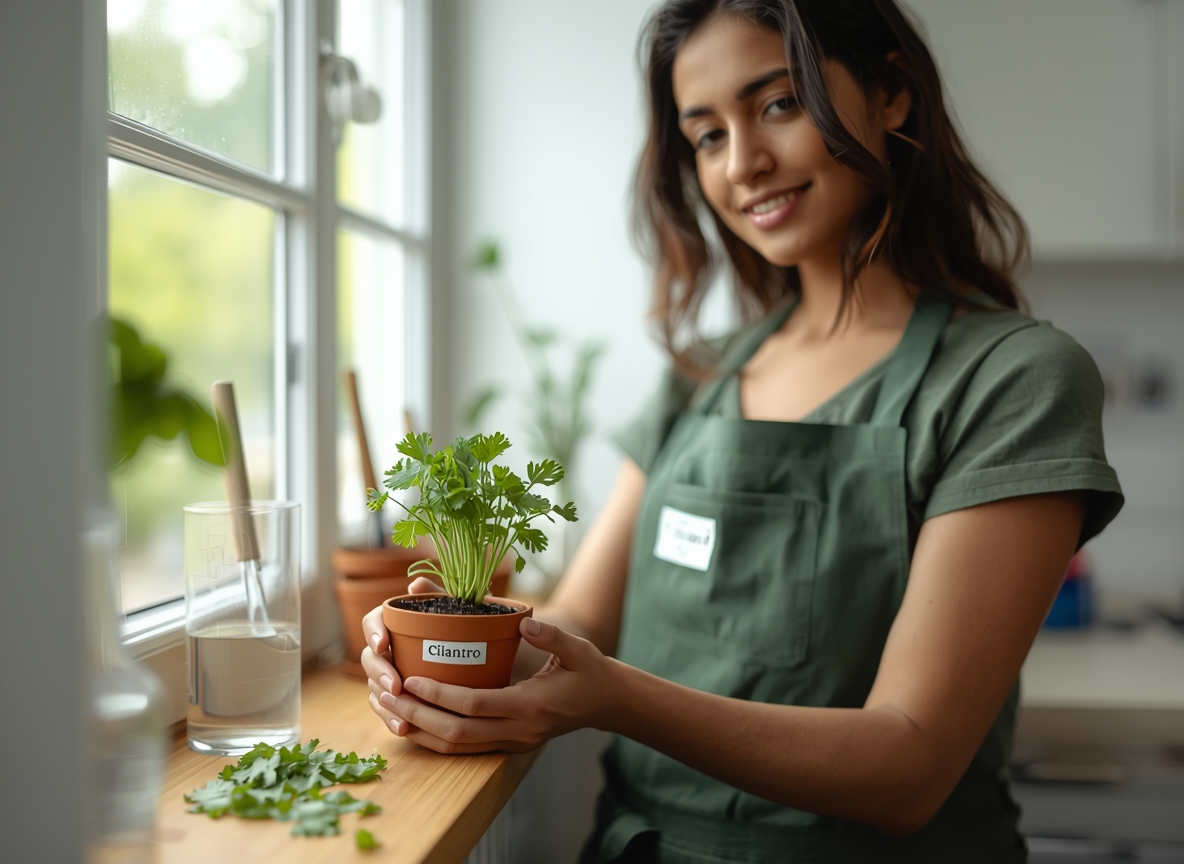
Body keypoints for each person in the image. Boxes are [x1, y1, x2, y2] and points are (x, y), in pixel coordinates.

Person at [359, 1, 1124, 860]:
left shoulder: (1011, 379)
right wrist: (447, 649)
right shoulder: (701, 374)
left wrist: (613, 698)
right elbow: (576, 620)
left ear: (892, 94)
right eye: (707, 136)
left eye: (778, 104)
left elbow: (908, 766)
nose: (744, 165)